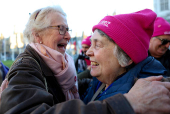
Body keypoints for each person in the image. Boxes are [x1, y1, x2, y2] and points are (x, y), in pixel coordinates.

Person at [0, 6, 170, 114]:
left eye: (98, 45)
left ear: (124, 57)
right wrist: (124, 104)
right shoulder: (28, 66)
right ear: (37, 35)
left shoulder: (153, 93)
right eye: (61, 29)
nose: (87, 52)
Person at [81, 9, 168, 104]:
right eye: (91, 44)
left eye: (97, 45)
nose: (88, 52)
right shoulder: (103, 80)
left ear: (126, 57)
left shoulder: (147, 102)